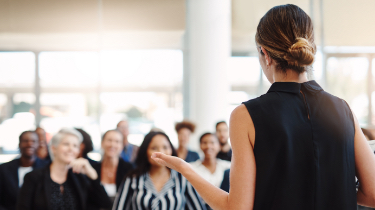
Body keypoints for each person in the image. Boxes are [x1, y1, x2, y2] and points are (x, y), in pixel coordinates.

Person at [151, 4, 375, 209]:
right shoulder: (343, 110)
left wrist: (186, 169)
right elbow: (372, 194)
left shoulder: (246, 116)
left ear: (265, 55)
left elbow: (238, 208)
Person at [17, 128, 111, 210]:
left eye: (75, 146)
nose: (71, 149)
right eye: (66, 144)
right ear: (54, 148)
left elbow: (105, 204)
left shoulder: (79, 178)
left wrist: (93, 175)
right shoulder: (33, 177)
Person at [112, 131, 206, 210]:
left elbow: (198, 207)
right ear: (145, 151)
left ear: (171, 150)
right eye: (154, 148)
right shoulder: (132, 179)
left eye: (165, 147)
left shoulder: (182, 178)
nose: (161, 152)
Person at [0, 131, 49, 210]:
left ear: (38, 144)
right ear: (19, 144)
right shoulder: (4, 169)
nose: (29, 144)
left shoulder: (47, 168)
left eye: (33, 141)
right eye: (26, 141)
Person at [91, 130, 133, 209]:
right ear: (102, 143)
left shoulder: (130, 169)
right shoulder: (93, 169)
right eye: (109, 140)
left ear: (122, 146)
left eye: (117, 141)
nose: (112, 144)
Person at [190, 133, 230, 209]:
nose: (208, 146)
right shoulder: (191, 167)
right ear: (200, 146)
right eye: (204, 143)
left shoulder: (227, 166)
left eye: (212, 142)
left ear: (218, 146)